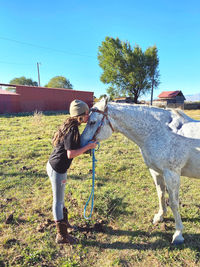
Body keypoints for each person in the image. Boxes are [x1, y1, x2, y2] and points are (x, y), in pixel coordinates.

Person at [46, 99, 97, 245]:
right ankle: (61, 235)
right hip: (58, 168)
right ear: (80, 115)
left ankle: (64, 223)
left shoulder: (71, 124)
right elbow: (71, 154)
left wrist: (88, 144)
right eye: (87, 113)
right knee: (58, 201)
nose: (89, 116)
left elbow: (74, 145)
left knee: (60, 198)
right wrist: (89, 147)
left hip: (54, 165)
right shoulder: (72, 129)